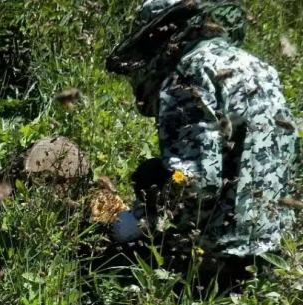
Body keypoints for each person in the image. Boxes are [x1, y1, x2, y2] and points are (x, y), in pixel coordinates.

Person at [106, 0, 298, 282]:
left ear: (161, 38)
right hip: (277, 249)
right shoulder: (260, 67)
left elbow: (196, 181)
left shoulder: (188, 73)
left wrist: (149, 205)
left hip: (225, 260)